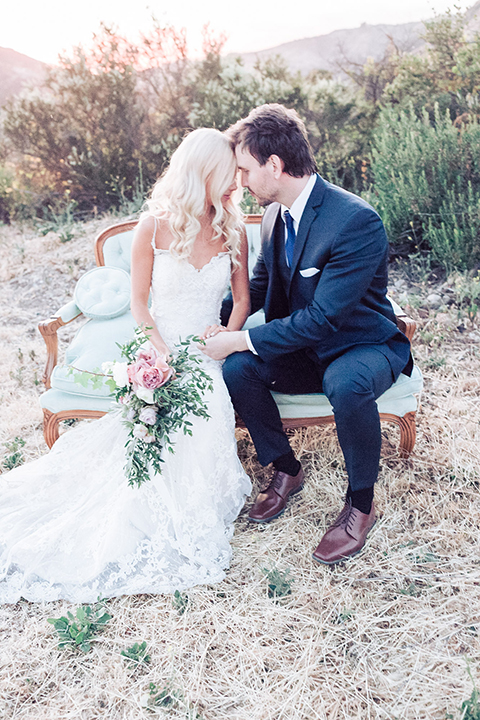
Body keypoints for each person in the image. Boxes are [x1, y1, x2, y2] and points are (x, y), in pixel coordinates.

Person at [0, 128, 252, 603]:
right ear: (203, 173)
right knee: (156, 422)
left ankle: (195, 504)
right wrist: (159, 353)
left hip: (209, 351)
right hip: (161, 347)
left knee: (210, 402)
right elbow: (139, 305)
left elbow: (241, 299)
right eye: (227, 175)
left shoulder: (230, 227)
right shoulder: (153, 226)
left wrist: (227, 332)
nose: (235, 184)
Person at [201, 104, 413, 565]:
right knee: (239, 367)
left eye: (244, 170)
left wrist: (241, 337)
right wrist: (208, 321)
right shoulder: (275, 214)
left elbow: (323, 319)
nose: (240, 182)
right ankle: (286, 469)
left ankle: (360, 504)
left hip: (361, 345)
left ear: (274, 166)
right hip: (303, 350)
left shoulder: (355, 221)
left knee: (346, 382)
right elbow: (259, 286)